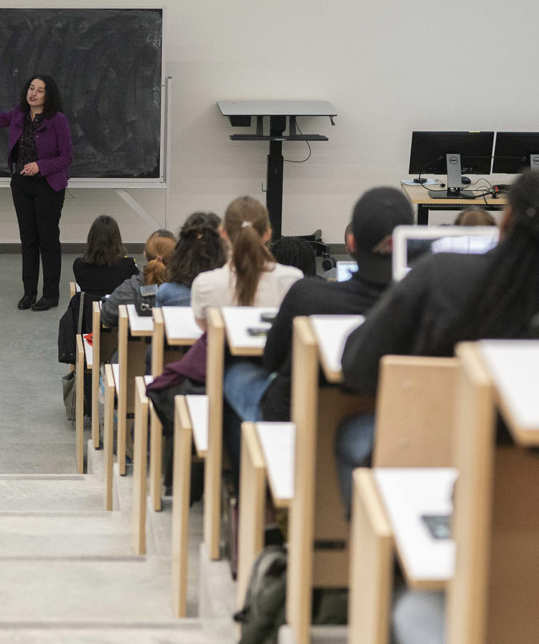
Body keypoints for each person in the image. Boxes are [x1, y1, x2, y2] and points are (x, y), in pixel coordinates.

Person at [337, 170, 539, 513]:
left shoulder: (441, 274)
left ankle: (377, 554)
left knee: (351, 428)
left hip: (431, 461)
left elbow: (357, 365)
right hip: (526, 483)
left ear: (507, 221)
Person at [219, 188, 414, 467]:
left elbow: (272, 360)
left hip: (296, 430)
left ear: (351, 242)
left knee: (230, 373)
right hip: (398, 430)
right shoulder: (424, 310)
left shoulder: (307, 295)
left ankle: (239, 484)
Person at [0, 72, 73, 311]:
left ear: (48, 95)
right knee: (28, 240)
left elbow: (67, 157)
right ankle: (29, 292)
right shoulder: (19, 113)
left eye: (39, 90)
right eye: (31, 88)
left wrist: (40, 165)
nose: (33, 93)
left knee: (48, 240)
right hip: (22, 185)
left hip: (49, 185)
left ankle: (50, 295)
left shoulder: (58, 120)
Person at [190, 196, 302, 328]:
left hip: (223, 348)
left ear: (223, 232)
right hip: (273, 349)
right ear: (267, 234)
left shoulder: (205, 284)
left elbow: (206, 330)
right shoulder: (293, 279)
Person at [72, 215, 139, 297]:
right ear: (117, 239)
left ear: (91, 239)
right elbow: (141, 285)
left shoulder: (79, 265)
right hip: (116, 308)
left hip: (88, 308)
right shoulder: (128, 266)